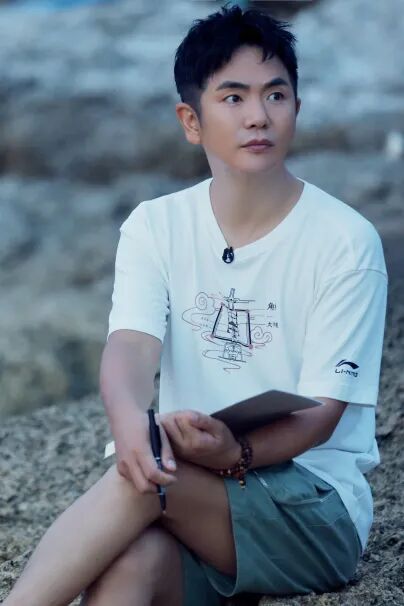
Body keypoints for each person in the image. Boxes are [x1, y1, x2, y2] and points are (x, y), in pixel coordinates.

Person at [3, 3, 388, 606]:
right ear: (191, 120)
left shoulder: (345, 241)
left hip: (312, 508)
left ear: (297, 107)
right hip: (196, 489)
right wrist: (130, 420)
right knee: (130, 563)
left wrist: (239, 452)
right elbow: (131, 344)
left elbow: (323, 413)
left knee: (148, 482)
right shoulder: (156, 225)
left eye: (276, 95)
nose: (258, 116)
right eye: (233, 97)